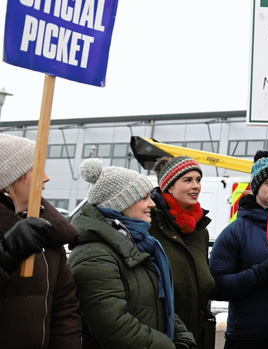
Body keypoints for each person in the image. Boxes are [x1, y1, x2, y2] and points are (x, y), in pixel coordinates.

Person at [68, 158, 196, 348]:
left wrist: (183, 338)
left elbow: (159, 304)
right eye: (144, 198)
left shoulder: (137, 244)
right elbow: (114, 327)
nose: (152, 204)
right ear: (120, 204)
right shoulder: (94, 255)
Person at [210, 150, 268, 348]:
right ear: (256, 187)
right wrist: (260, 273)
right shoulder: (234, 232)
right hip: (246, 338)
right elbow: (217, 286)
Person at [0, 133, 81, 349]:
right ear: (11, 178)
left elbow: (65, 311)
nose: (46, 177)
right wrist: (6, 254)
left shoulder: (49, 231)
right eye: (37, 170)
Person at [150, 156, 216, 349]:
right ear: (169, 187)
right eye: (188, 180)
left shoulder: (200, 229)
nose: (196, 186)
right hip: (162, 336)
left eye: (198, 180)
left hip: (198, 335)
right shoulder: (151, 223)